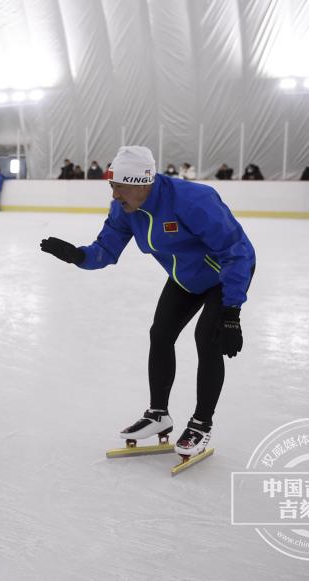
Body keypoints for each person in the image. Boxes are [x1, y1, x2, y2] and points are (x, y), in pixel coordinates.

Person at [40, 145, 255, 459]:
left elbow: (237, 251)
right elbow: (106, 249)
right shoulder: (126, 209)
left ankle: (201, 422)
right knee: (161, 334)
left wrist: (231, 311)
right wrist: (79, 256)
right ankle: (159, 414)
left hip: (224, 274)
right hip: (185, 277)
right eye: (111, 187)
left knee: (206, 339)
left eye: (118, 187)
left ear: (142, 184)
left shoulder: (194, 200)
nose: (114, 195)